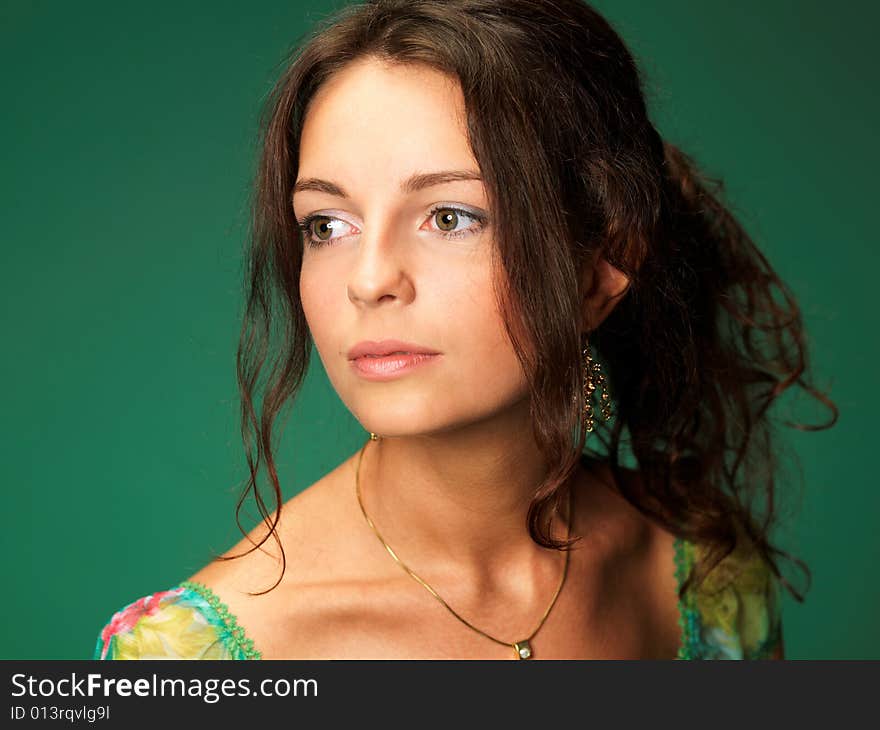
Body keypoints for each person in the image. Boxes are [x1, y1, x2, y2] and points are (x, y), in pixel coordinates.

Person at [93, 0, 836, 661]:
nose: (369, 278)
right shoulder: (193, 659)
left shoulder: (701, 569)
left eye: (450, 217)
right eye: (327, 224)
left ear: (602, 269)